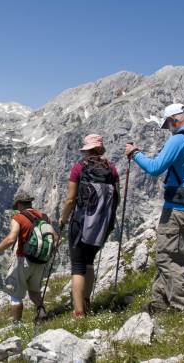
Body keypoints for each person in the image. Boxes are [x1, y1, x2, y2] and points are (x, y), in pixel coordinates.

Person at [125, 103, 184, 313]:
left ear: (175, 120)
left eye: (168, 125)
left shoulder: (179, 140)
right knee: (169, 256)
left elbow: (155, 168)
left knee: (169, 259)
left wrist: (135, 153)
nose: (168, 129)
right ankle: (159, 303)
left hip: (177, 209)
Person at [59, 134, 120, 318]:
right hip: (101, 224)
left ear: (86, 150)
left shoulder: (79, 168)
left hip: (81, 223)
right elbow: (117, 198)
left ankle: (79, 313)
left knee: (77, 266)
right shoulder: (112, 169)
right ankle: (87, 302)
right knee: (90, 263)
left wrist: (63, 218)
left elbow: (70, 199)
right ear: (100, 150)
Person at [0, 192, 59, 323]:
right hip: (40, 260)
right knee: (34, 291)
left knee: (16, 294)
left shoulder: (18, 218)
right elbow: (56, 238)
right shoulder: (44, 217)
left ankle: (16, 325)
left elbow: (11, 239)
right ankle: (41, 311)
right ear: (30, 202)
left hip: (23, 259)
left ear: (19, 204)